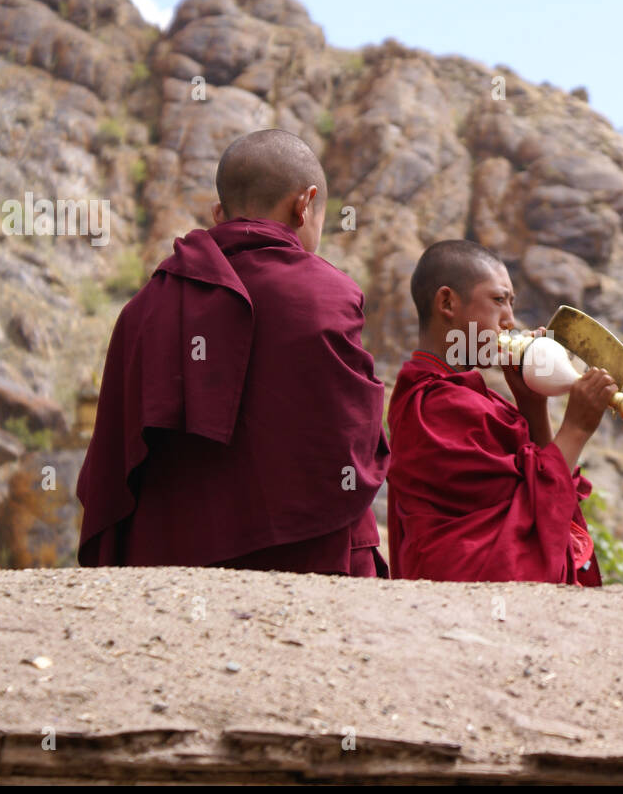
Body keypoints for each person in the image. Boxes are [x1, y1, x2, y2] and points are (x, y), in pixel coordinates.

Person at [76, 129, 389, 575]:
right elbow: (351, 441)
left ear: (220, 214)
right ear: (305, 204)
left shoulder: (143, 309)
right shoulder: (327, 294)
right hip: (306, 564)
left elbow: (113, 456)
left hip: (167, 569)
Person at [386, 239, 618, 584]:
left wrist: (533, 405)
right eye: (498, 301)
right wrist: (576, 429)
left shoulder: (474, 398)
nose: (510, 321)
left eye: (512, 303)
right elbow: (528, 514)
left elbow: (540, 492)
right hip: (461, 598)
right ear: (447, 302)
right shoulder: (436, 406)